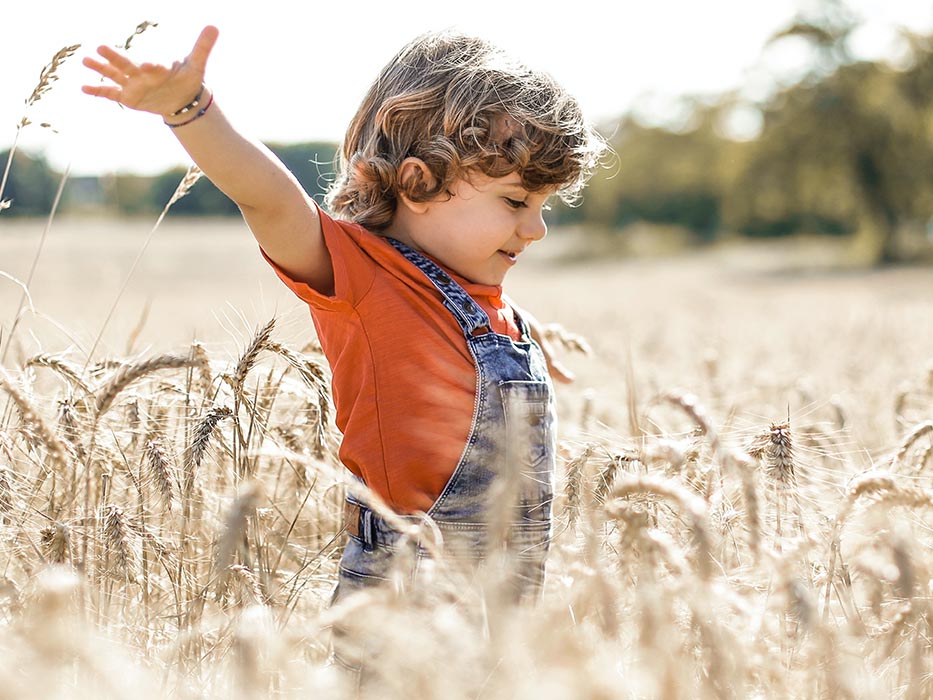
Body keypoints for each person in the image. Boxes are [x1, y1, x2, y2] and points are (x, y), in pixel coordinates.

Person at [80, 26, 605, 613]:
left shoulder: (487, 302)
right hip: (405, 596)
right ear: (417, 181)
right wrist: (190, 110)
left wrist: (526, 340)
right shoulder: (363, 276)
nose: (536, 229)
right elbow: (270, 198)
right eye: (515, 202)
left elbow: (463, 337)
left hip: (505, 601)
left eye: (543, 206)